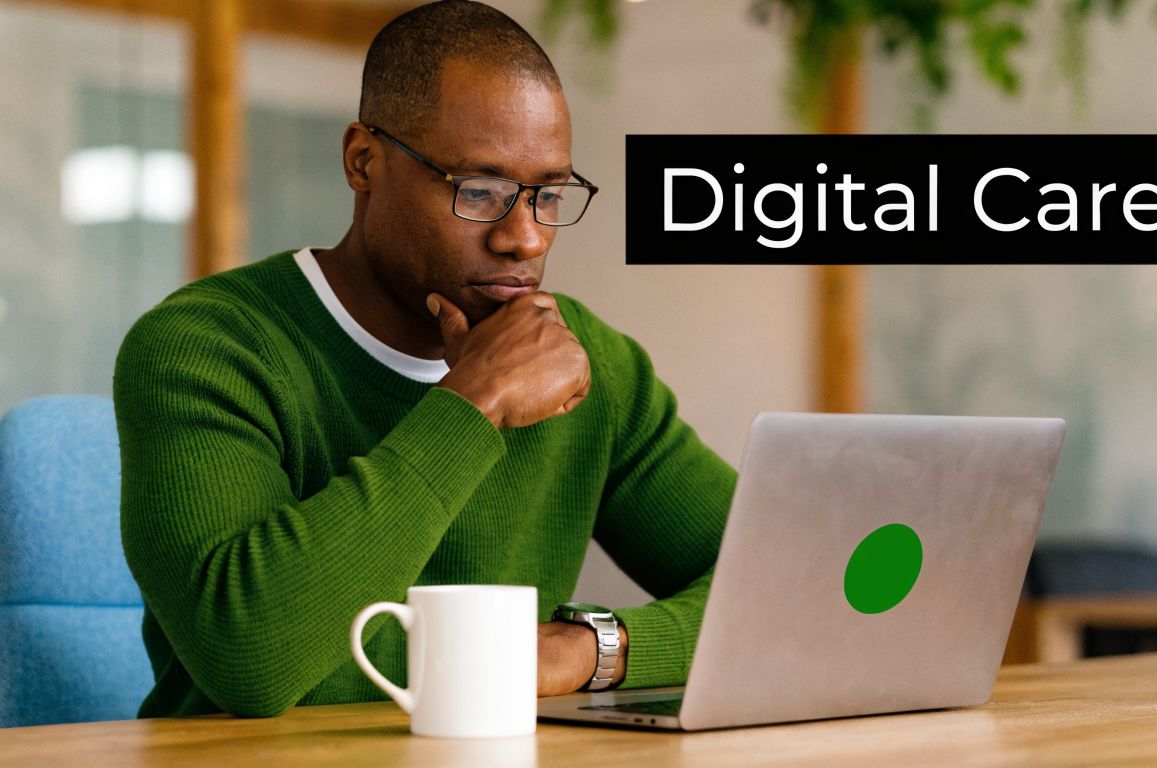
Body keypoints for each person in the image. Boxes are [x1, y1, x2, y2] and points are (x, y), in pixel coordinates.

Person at [114, 0, 734, 718]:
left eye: (548, 195)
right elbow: (253, 660)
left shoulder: (588, 364)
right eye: (480, 191)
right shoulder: (208, 347)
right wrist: (475, 404)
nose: (525, 239)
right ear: (363, 161)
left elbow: (779, 585)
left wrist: (585, 650)